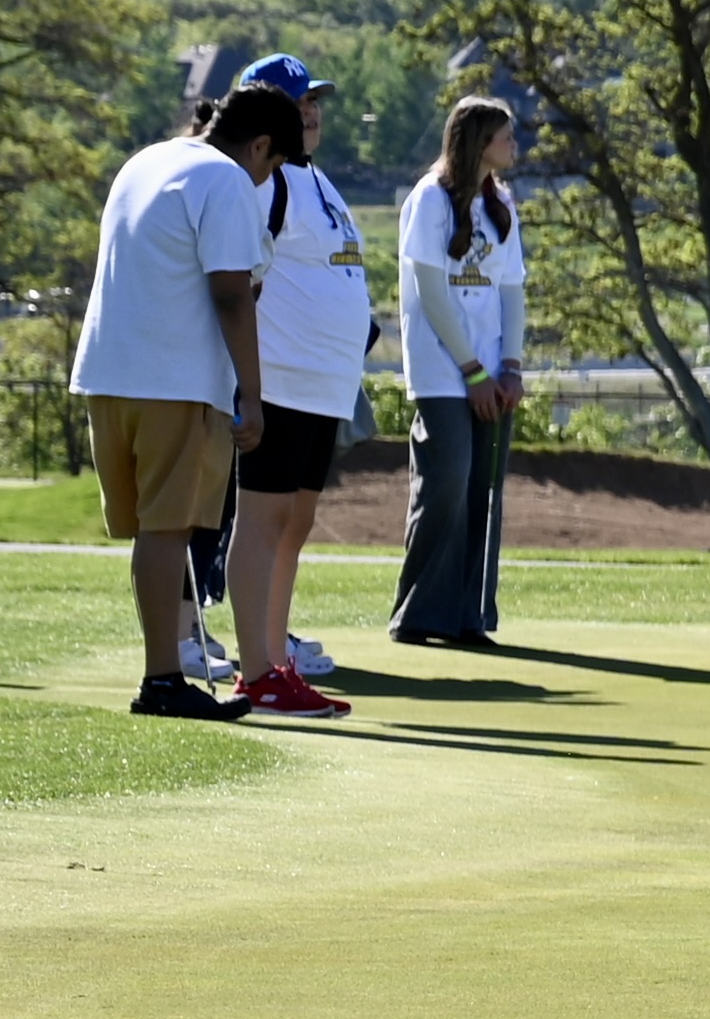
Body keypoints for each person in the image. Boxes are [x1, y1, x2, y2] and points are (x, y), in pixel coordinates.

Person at [67, 71, 275, 721]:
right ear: (261, 146)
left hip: (108, 373)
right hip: (174, 379)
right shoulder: (227, 178)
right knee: (168, 529)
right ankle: (161, 680)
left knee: (152, 532)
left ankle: (162, 671)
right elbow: (232, 293)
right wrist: (254, 394)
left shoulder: (146, 160)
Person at [198, 74, 366, 723]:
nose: (312, 112)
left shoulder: (316, 179)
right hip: (284, 378)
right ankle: (258, 670)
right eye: (299, 103)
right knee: (263, 523)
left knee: (292, 527)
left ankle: (275, 659)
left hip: (324, 384)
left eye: (317, 100)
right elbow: (243, 271)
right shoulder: (263, 178)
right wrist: (248, 383)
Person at [386, 92, 525, 647]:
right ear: (476, 142)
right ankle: (419, 613)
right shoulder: (429, 200)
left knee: (480, 491)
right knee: (446, 482)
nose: (514, 145)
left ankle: (468, 616)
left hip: (492, 371)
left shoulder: (503, 204)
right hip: (446, 370)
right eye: (504, 136)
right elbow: (432, 291)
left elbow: (511, 289)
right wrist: (471, 371)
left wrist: (509, 365)